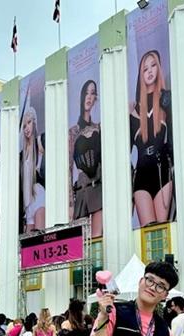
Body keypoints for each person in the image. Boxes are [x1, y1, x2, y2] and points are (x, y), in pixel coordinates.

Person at [130, 50, 173, 227]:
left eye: (153, 65)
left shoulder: (166, 99)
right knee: (148, 233)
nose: (149, 71)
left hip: (162, 170)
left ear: (159, 68)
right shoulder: (133, 110)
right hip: (141, 173)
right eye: (145, 68)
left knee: (162, 231)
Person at [69, 80, 103, 236]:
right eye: (86, 93)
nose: (89, 97)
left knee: (98, 239)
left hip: (98, 186)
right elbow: (68, 169)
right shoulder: (73, 132)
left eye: (93, 93)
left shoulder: (98, 127)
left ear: (96, 98)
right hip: (81, 189)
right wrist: (70, 204)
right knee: (80, 243)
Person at [19, 106, 45, 233]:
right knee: (28, 241)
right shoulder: (22, 154)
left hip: (38, 194)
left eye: (29, 123)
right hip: (28, 202)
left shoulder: (40, 141)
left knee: (39, 237)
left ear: (34, 122)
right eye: (24, 126)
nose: (26, 128)